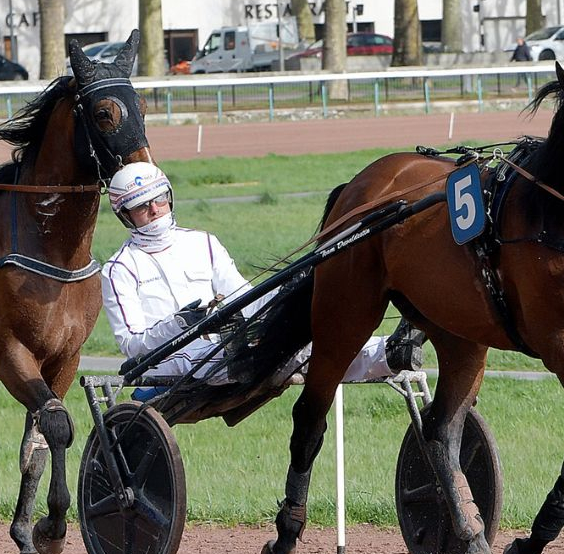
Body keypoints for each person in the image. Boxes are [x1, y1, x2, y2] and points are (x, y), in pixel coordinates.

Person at [99, 163, 424, 387]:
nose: (155, 210)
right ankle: (248, 358)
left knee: (300, 344)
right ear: (125, 215)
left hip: (228, 345)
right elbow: (131, 344)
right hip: (169, 362)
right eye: (142, 206)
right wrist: (178, 324)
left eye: (159, 199)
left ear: (169, 196)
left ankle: (390, 352)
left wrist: (286, 294)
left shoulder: (203, 243)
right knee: (253, 352)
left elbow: (245, 299)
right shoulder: (118, 268)